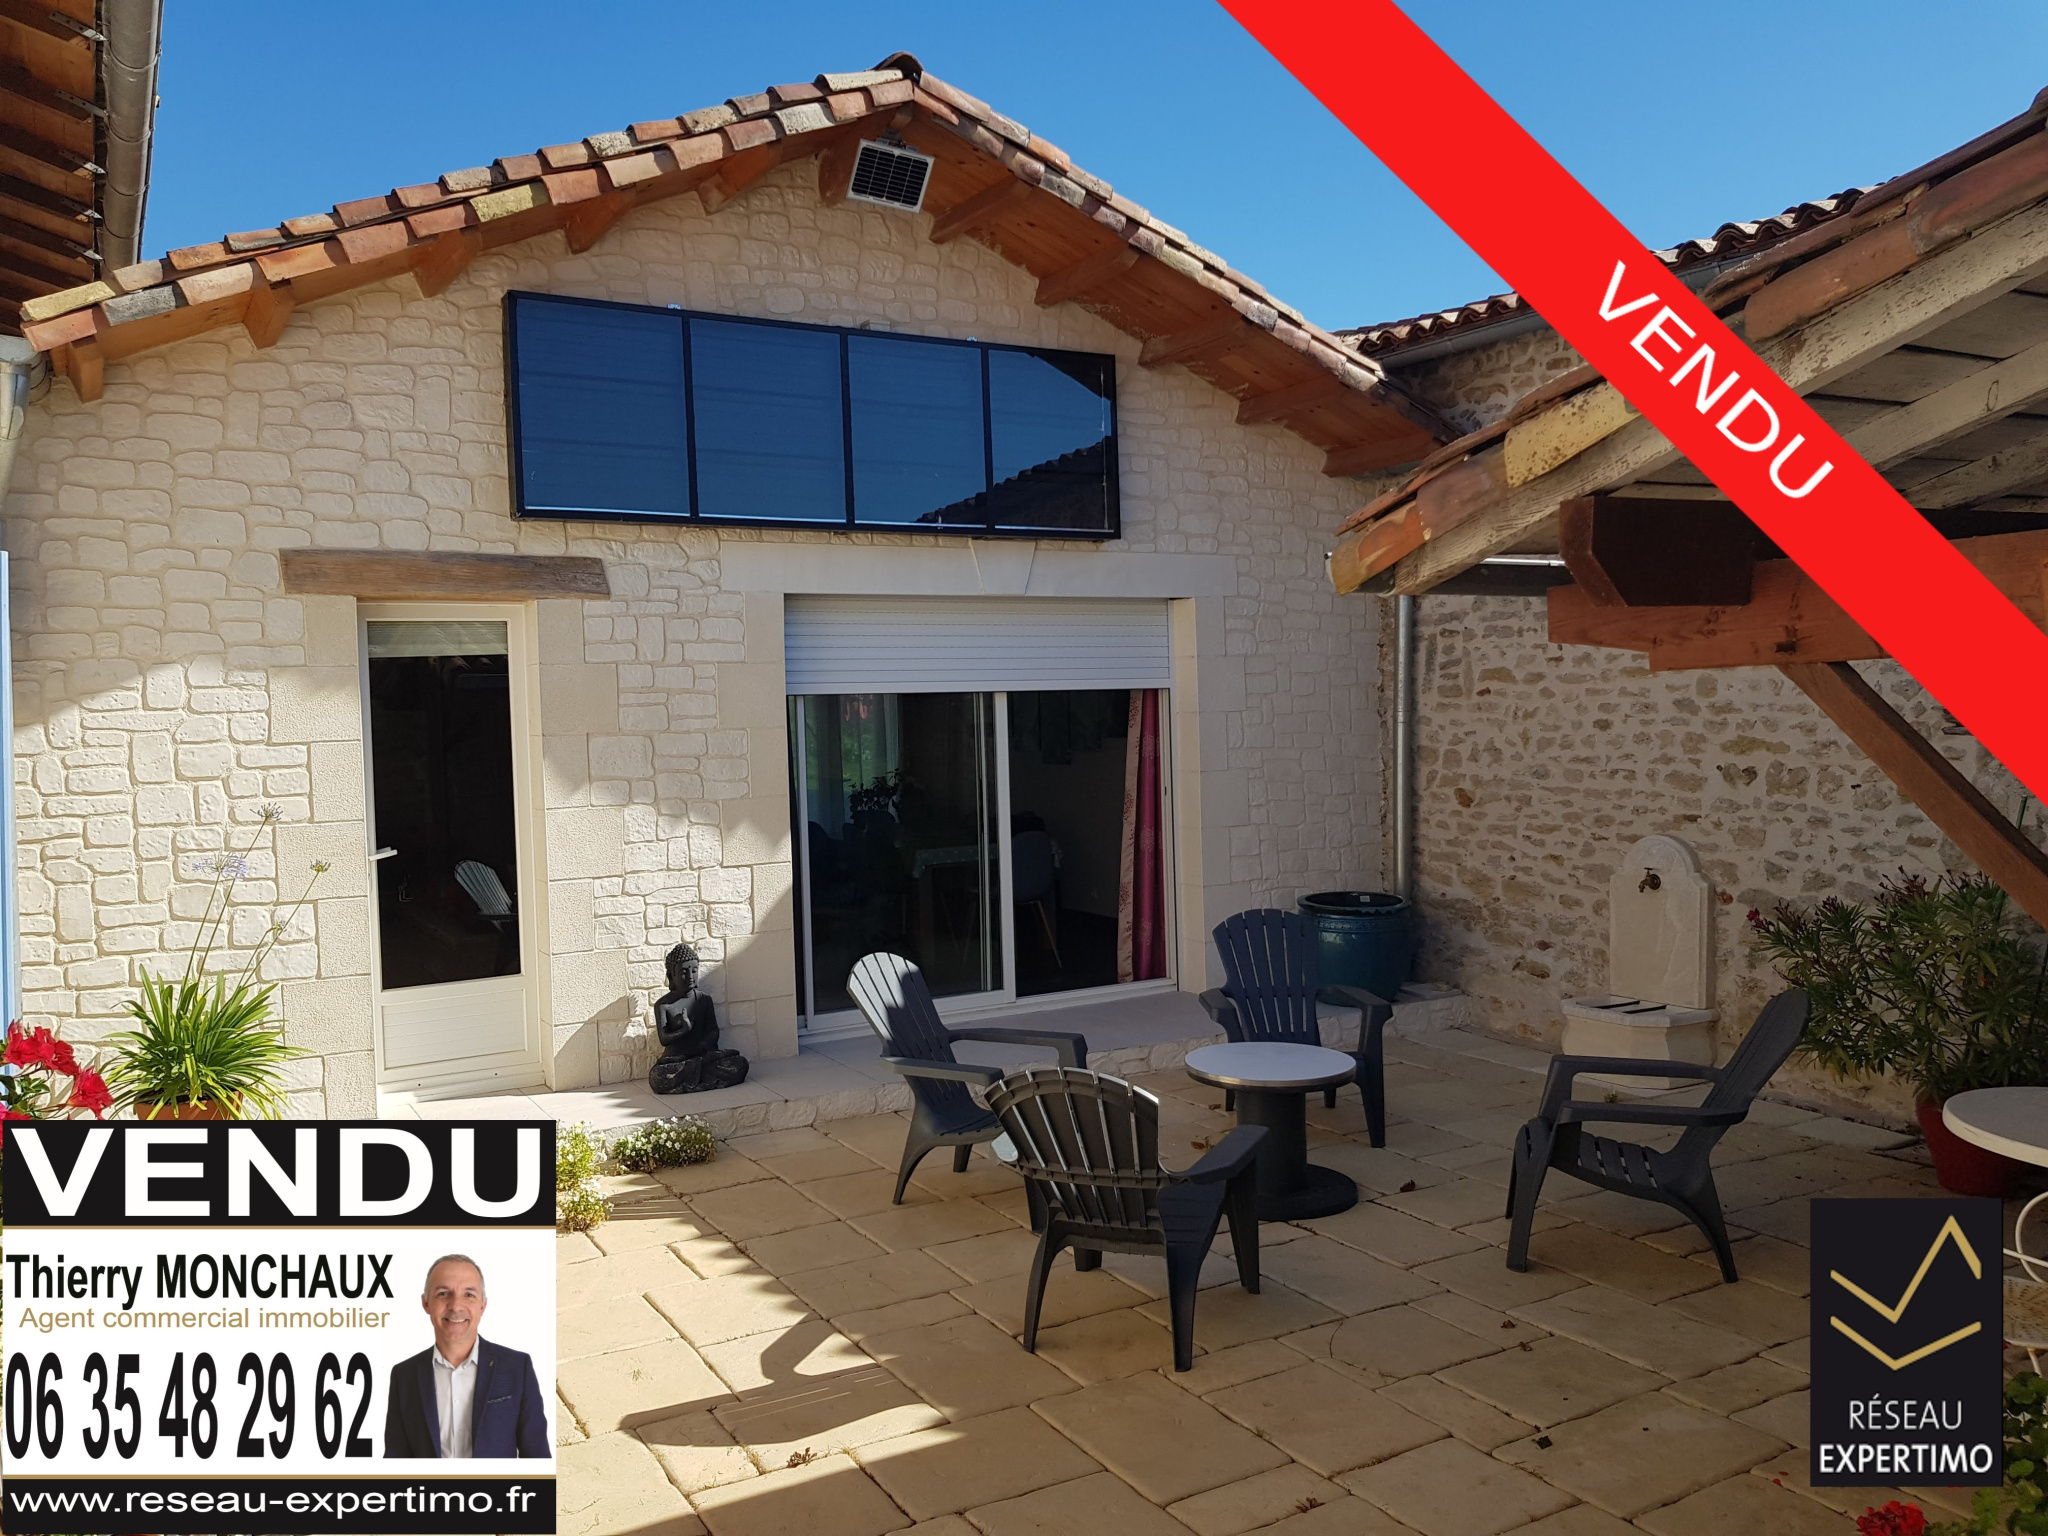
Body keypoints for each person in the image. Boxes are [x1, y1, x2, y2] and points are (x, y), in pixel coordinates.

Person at [383, 1254, 548, 1458]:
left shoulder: (517, 1368)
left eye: (469, 1295)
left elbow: (537, 1456)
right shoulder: (404, 1375)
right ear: (426, 1303)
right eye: (443, 1293)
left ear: (482, 1305)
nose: (455, 1306)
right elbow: (396, 1459)